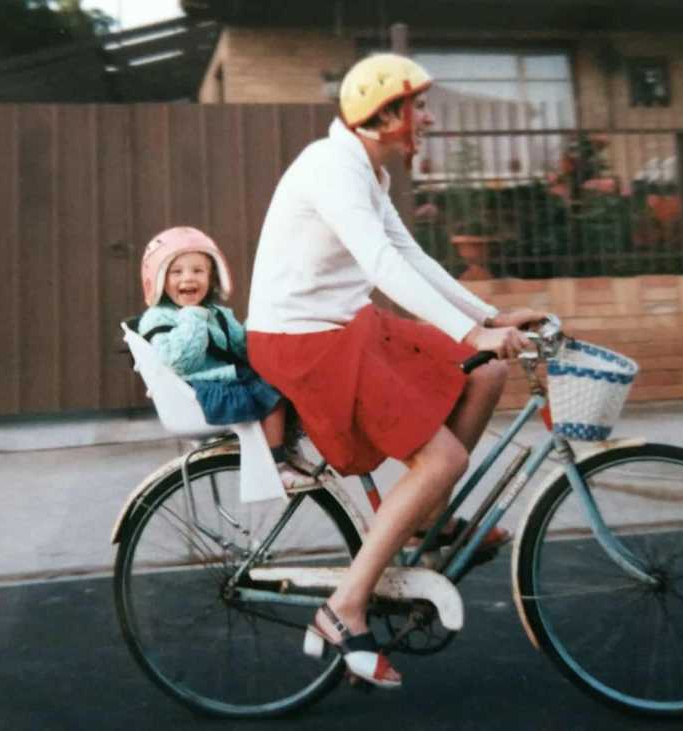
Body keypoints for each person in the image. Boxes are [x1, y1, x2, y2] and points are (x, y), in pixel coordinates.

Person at [245, 54, 547, 688]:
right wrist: (473, 331)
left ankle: (423, 531)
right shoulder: (332, 168)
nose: (428, 118)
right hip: (305, 341)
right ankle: (343, 608)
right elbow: (382, 265)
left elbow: (408, 253)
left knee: (483, 374)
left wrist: (488, 318)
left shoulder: (366, 172)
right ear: (383, 117)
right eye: (418, 108)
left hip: (343, 327)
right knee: (442, 460)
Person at [138, 226, 317, 491]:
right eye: (176, 271)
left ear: (212, 277)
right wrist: (192, 315)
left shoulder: (214, 311)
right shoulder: (159, 318)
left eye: (198, 270)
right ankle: (276, 466)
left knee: (286, 379)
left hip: (225, 378)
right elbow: (180, 361)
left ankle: (283, 449)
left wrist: (263, 324)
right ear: (159, 278)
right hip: (200, 390)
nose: (188, 278)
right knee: (272, 395)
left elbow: (241, 348)